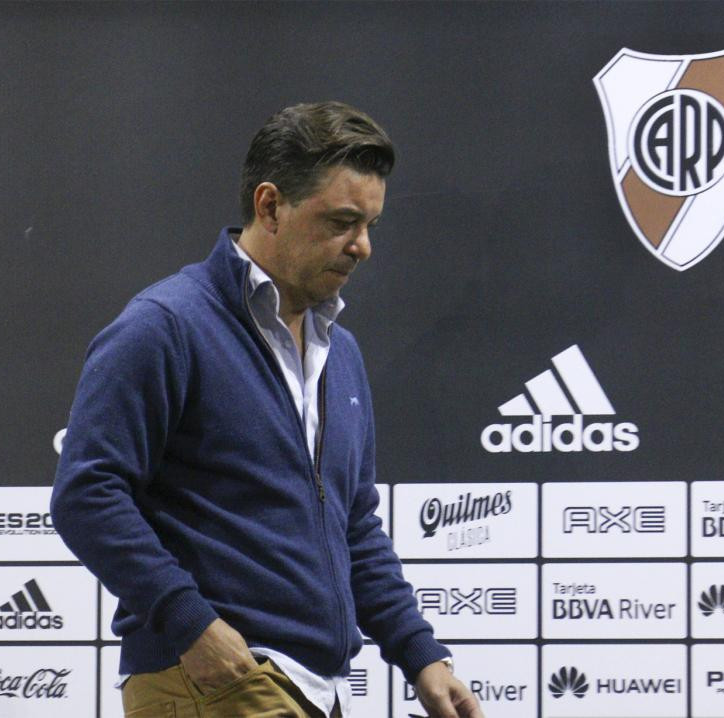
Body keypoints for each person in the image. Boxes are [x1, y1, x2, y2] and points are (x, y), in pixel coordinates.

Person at [52, 101, 483, 718]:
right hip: (215, 681)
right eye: (341, 221)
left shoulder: (342, 353)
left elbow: (353, 522)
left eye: (370, 225)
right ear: (270, 206)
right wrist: (193, 626)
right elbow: (86, 492)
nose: (361, 246)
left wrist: (419, 653)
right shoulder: (165, 326)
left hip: (314, 688)